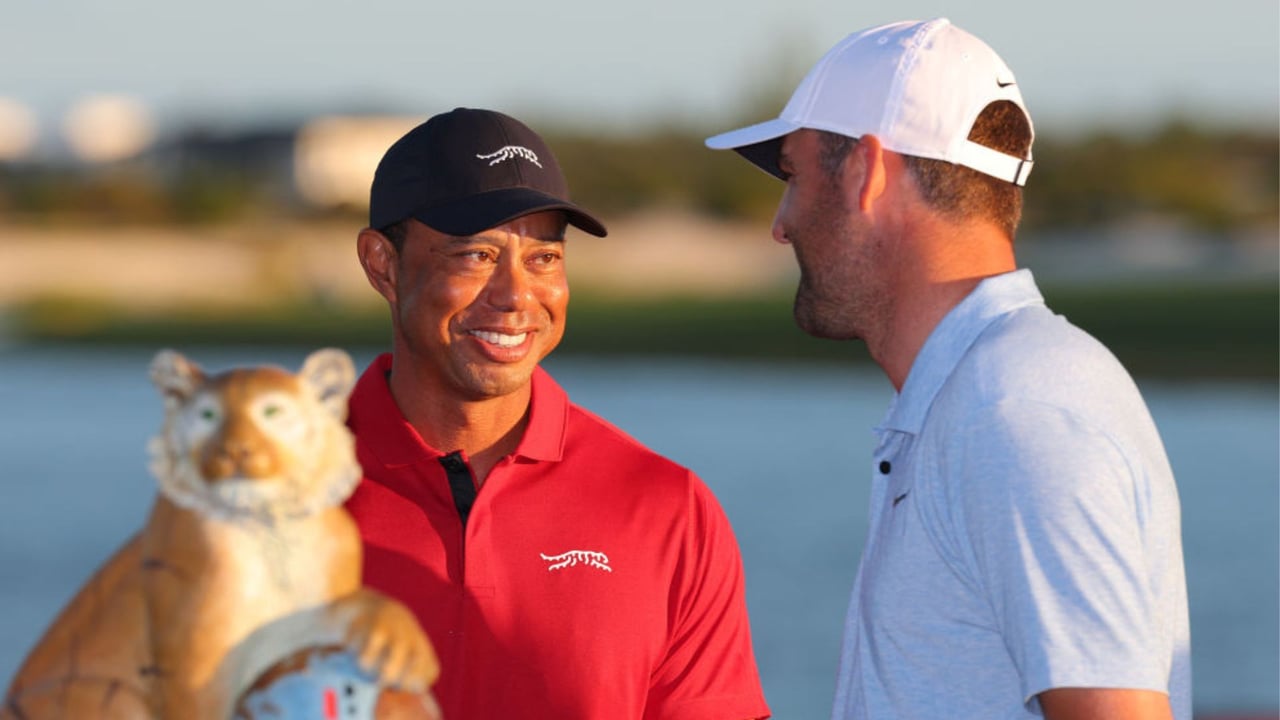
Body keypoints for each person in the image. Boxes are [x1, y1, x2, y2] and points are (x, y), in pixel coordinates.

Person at [705, 18, 1190, 720]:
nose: (781, 222)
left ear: (868, 173)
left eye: (792, 175)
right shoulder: (994, 392)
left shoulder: (1016, 411)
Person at [346, 106, 770, 720]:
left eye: (544, 258)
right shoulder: (264, 495)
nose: (516, 295)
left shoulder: (667, 508)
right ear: (382, 264)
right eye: (475, 256)